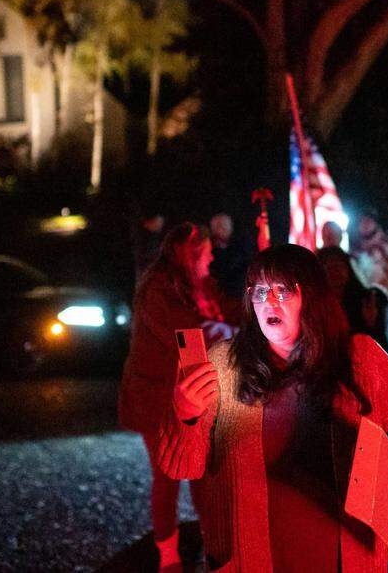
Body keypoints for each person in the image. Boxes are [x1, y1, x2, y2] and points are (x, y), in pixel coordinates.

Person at [158, 244, 388, 571]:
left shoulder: (361, 358)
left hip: (347, 556)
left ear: (311, 297)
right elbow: (182, 466)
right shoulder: (223, 366)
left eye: (283, 291)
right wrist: (185, 414)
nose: (268, 301)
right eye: (259, 292)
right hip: (258, 560)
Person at [118, 223, 236, 572]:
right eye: (207, 251)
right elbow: (184, 334)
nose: (213, 256)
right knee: (167, 477)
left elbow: (228, 309)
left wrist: (260, 310)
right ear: (190, 252)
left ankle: (210, 541)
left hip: (193, 398)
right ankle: (168, 556)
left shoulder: (202, 285)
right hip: (155, 400)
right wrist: (225, 332)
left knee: (203, 473)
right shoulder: (158, 289)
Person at [350, 210, 388, 354]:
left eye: (368, 221)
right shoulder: (355, 253)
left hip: (386, 301)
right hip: (367, 301)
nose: (365, 224)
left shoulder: (383, 247)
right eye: (362, 222)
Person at [317, 245, 388, 353]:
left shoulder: (365, 301)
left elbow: (381, 350)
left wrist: (371, 326)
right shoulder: (313, 304)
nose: (334, 273)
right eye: (328, 268)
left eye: (338, 266)